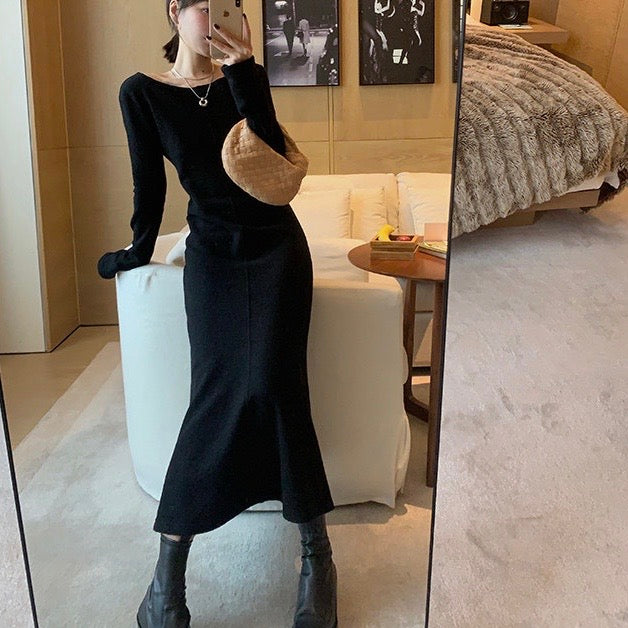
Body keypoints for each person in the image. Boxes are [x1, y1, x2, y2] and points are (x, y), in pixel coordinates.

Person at [96, 2, 337, 627]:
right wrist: (135, 251)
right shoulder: (141, 94)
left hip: (277, 247)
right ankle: (165, 587)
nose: (219, 17)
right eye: (207, 4)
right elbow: (149, 186)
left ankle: (318, 557)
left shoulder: (242, 78)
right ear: (175, 10)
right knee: (215, 393)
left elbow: (273, 157)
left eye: (231, 3)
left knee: (280, 386)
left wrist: (246, 73)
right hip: (213, 256)